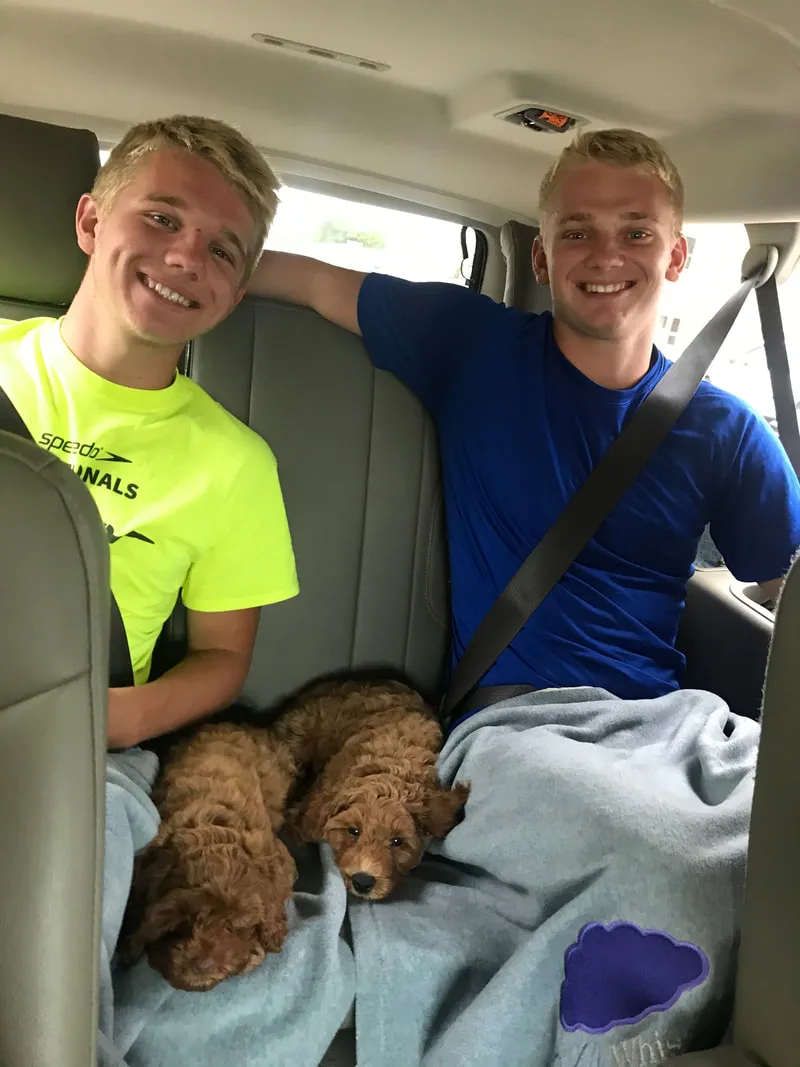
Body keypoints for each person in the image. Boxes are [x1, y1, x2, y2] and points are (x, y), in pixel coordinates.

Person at [238, 129, 800, 1065]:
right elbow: (298, 278)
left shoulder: (727, 430)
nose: (606, 256)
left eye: (635, 230)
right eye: (577, 232)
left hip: (677, 724)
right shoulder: (472, 344)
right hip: (515, 728)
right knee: (671, 873)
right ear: (541, 257)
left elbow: (786, 584)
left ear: (678, 252)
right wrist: (179, 267)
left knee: (774, 841)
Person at [0, 116, 298, 749]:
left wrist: (125, 719)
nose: (187, 257)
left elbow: (221, 657)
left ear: (235, 294)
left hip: (73, 744)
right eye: (162, 218)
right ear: (90, 221)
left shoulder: (235, 464)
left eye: (222, 250)